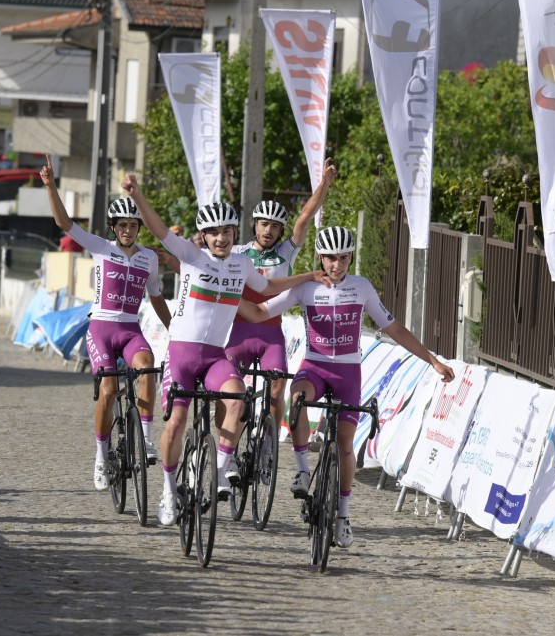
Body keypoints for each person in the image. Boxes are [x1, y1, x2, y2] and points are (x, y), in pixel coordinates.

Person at [121, 174, 329, 527]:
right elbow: (158, 230)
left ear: (235, 234)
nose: (221, 238)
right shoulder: (191, 254)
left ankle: (219, 469)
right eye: (214, 233)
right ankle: (169, 491)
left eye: (227, 232)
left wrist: (307, 275)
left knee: (239, 400)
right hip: (183, 355)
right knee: (177, 422)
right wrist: (138, 194)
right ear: (204, 236)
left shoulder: (242, 264)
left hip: (216, 356)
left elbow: (266, 293)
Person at [238, 226, 455, 548]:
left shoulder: (362, 287)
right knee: (296, 400)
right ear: (320, 258)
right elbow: (258, 312)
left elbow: (394, 328)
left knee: (344, 444)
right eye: (330, 258)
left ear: (350, 258)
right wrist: (221, 296)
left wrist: (432, 360)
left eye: (343, 258)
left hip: (348, 373)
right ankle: (301, 469)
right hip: (314, 366)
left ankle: (342, 515)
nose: (336, 265)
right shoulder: (306, 288)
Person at [39, 156, 173, 490]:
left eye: (133, 225)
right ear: (113, 228)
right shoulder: (100, 247)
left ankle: (145, 440)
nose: (128, 230)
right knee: (110, 390)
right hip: (101, 329)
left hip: (130, 329)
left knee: (147, 366)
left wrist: (176, 330)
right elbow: (65, 224)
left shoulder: (149, 258)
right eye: (122, 225)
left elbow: (156, 297)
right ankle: (101, 456)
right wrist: (51, 187)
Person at [223, 158, 336, 428]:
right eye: (264, 224)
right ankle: (230, 453)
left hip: (271, 332)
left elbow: (305, 217)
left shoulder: (286, 253)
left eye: (274, 226)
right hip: (237, 331)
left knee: (276, 390)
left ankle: (266, 444)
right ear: (255, 225)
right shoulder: (237, 253)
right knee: (226, 394)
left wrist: (324, 184)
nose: (268, 230)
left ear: (280, 231)